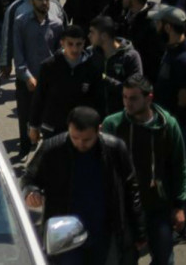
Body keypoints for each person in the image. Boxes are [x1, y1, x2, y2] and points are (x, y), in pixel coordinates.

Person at [21, 106, 145, 265]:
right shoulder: (52, 149)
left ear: (99, 130)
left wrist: (138, 230)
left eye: (87, 139)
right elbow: (29, 177)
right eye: (74, 137)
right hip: (65, 234)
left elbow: (131, 189)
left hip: (104, 232)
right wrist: (31, 192)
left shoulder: (115, 149)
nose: (80, 144)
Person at [101, 75, 186, 265]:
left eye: (133, 98)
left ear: (149, 98)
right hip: (125, 210)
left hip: (157, 206)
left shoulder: (168, 125)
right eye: (124, 97)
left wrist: (179, 206)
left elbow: (180, 167)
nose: (127, 103)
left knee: (164, 258)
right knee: (126, 259)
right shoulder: (112, 125)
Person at [150, 4, 186, 238]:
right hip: (172, 122)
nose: (156, 28)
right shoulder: (173, 48)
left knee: (181, 175)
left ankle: (182, 224)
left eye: (159, 24)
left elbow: (183, 100)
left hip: (181, 126)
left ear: (169, 27)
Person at [12, 0, 64, 157]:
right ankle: (24, 149)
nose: (44, 2)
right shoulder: (21, 22)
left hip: (49, 82)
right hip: (27, 81)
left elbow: (60, 54)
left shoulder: (57, 24)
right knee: (26, 117)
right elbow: (18, 53)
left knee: (48, 120)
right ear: (32, 1)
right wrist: (26, 76)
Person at [29, 25, 104, 142]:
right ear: (62, 43)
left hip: (81, 129)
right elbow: (39, 97)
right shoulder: (49, 66)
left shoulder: (92, 68)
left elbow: (98, 99)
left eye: (78, 44)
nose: (74, 49)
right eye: (70, 44)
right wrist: (34, 126)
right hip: (53, 127)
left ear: (84, 43)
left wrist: (98, 123)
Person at [89, 16, 142, 117]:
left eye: (92, 32)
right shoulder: (92, 54)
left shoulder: (130, 56)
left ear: (104, 36)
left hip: (121, 116)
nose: (89, 36)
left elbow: (136, 88)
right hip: (96, 117)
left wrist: (105, 79)